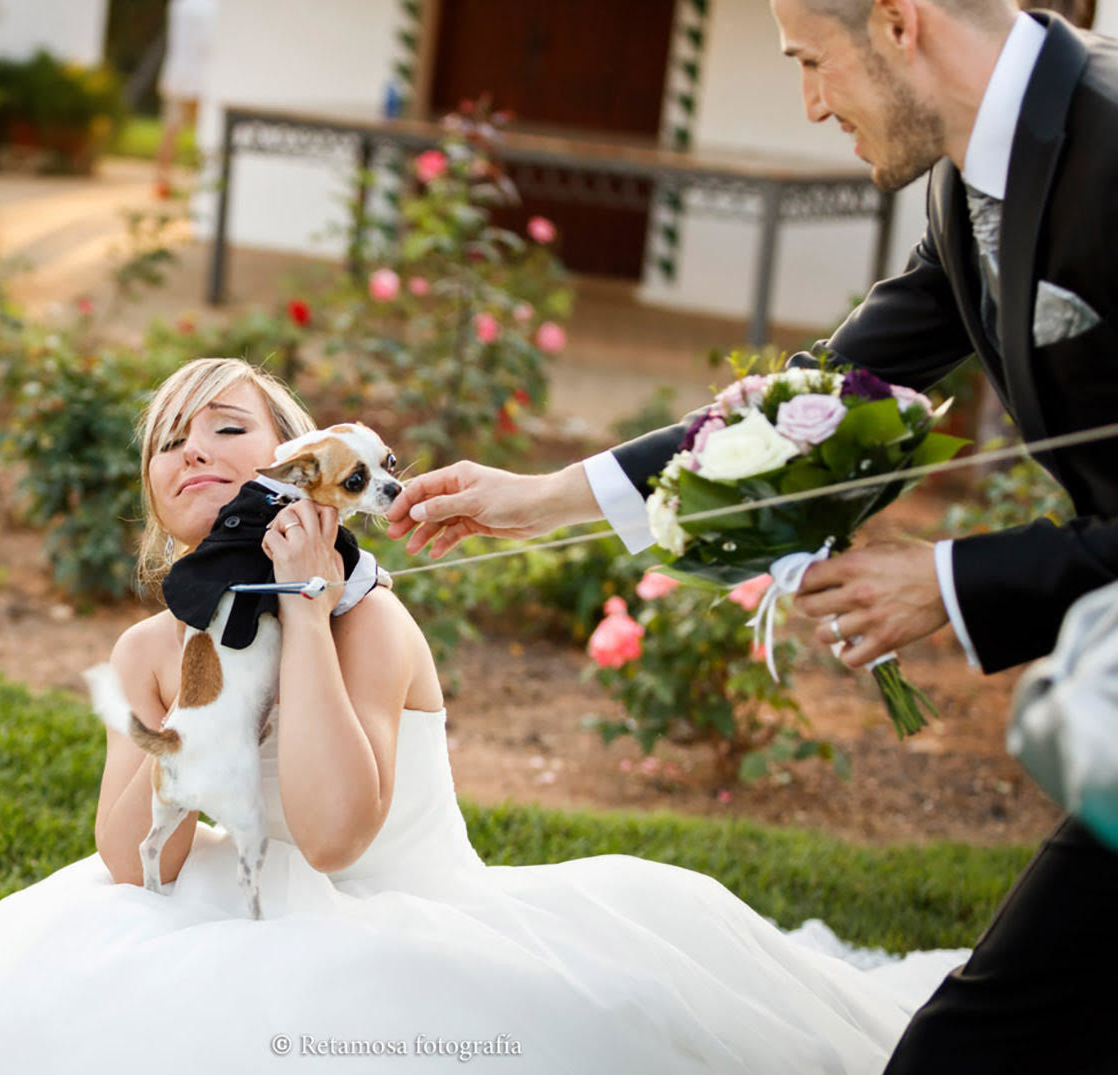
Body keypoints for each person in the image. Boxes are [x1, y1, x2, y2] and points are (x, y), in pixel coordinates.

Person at [0, 358, 965, 1073]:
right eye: (169, 440)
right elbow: (132, 862)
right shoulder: (151, 649)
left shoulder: (368, 623)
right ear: (155, 490)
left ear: (301, 470)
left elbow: (336, 835)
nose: (191, 448)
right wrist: (200, 678)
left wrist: (300, 608)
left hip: (394, 910)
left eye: (226, 428)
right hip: (235, 901)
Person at [386, 4, 1118, 1072]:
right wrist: (543, 498)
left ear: (898, 22)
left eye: (813, 62)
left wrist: (955, 579)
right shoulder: (967, 182)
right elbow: (813, 396)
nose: (812, 104)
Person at [154, 0, 216, 197]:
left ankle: (162, 179)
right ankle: (202, 181)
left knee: (170, 131)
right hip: (200, 75)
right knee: (206, 132)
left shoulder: (181, 5)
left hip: (178, 73)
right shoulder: (211, 6)